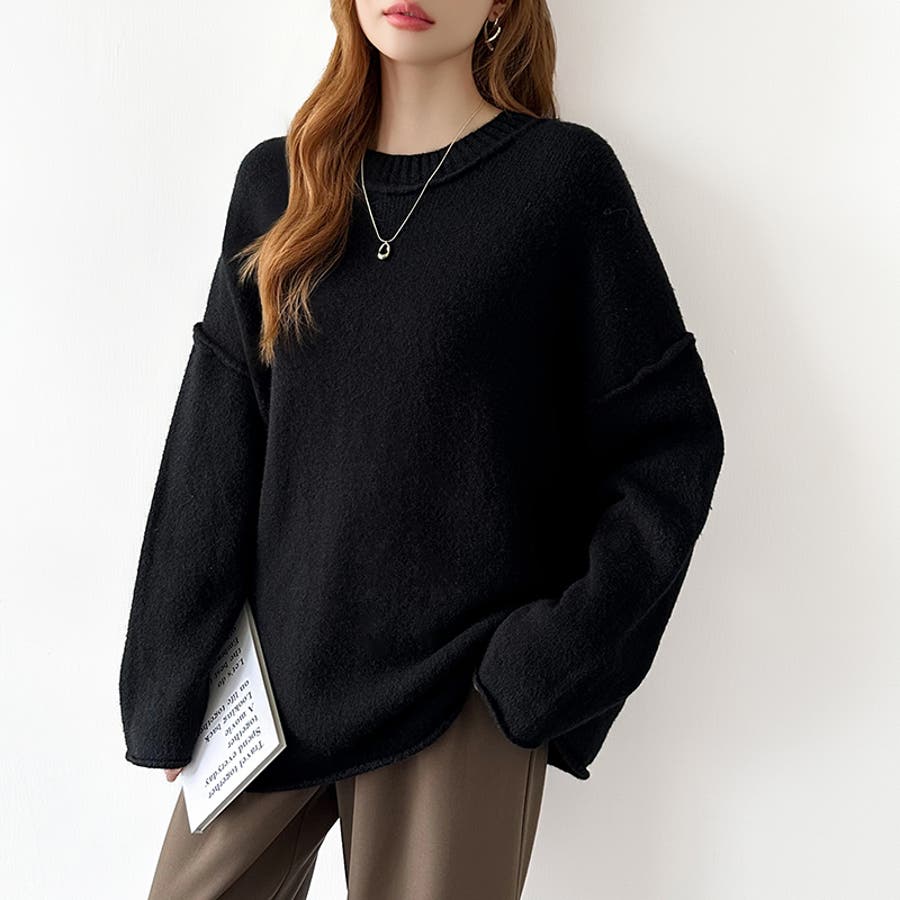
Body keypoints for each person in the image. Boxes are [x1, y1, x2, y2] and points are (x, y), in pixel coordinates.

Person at [118, 1, 726, 897]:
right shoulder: (279, 184)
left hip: (457, 701)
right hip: (270, 700)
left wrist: (548, 665)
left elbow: (671, 445)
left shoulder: (560, 182)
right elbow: (215, 444)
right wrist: (168, 683)